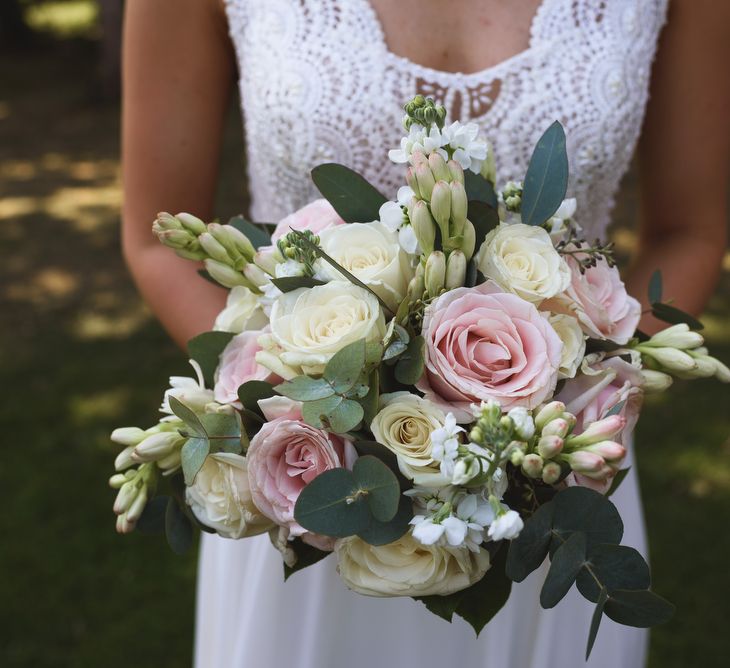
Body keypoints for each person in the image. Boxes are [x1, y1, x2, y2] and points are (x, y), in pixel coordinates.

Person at [121, 1, 729, 666]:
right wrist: (292, 412)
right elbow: (160, 242)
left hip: (554, 491)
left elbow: (689, 231)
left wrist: (570, 415)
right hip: (310, 487)